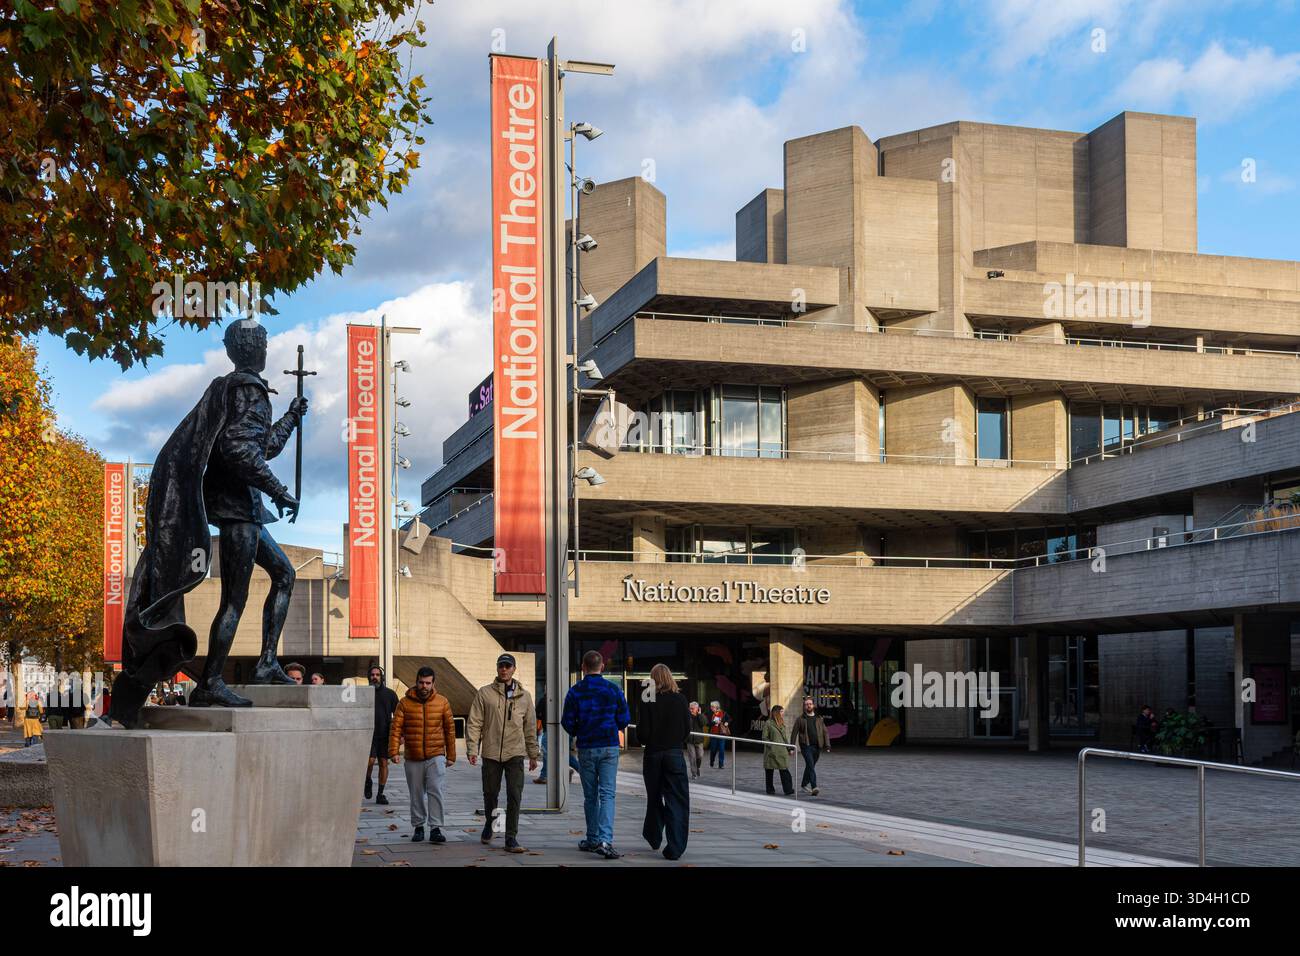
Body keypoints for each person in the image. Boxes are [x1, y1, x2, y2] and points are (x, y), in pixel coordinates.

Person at [467, 653, 540, 853]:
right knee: (491, 794)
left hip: (515, 753)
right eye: (501, 666)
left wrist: (533, 754)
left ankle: (511, 838)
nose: (504, 669)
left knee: (514, 794)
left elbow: (530, 727)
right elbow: (474, 722)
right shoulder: (485, 693)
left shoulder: (524, 697)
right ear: (497, 668)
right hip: (491, 753)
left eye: (508, 666)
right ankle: (491, 822)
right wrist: (473, 748)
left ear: (514, 669)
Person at [562, 650, 630, 859]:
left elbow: (567, 721)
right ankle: (604, 840)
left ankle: (592, 838)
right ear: (602, 667)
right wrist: (612, 727)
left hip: (587, 747)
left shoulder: (575, 691)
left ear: (583, 667)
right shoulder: (613, 689)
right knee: (607, 794)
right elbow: (624, 718)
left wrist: (579, 731)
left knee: (590, 796)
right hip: (609, 746)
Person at [388, 666, 455, 844]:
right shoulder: (404, 702)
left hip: (436, 755)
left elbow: (449, 730)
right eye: (421, 682)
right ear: (416, 682)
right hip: (413, 756)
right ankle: (418, 827)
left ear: (433, 683)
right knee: (416, 793)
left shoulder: (442, 702)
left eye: (428, 683)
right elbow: (396, 729)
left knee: (436, 790)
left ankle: (435, 828)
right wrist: (393, 751)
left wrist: (451, 755)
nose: (424, 686)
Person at [637, 664, 691, 860]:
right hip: (674, 754)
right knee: (677, 800)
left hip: (652, 755)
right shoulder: (680, 700)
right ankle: (675, 847)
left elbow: (642, 734)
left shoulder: (647, 699)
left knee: (654, 797)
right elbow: (687, 730)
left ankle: (653, 835)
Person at [365, 665, 399, 804]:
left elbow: (398, 715)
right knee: (370, 761)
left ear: (382, 677)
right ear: (369, 677)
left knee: (384, 763)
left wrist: (399, 735)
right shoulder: (364, 693)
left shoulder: (390, 694)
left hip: (385, 735)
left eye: (377, 675)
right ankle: (367, 780)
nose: (375, 677)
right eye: (372, 675)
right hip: (368, 735)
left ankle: (380, 794)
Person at [533, 694, 580, 785]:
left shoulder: (545, 699)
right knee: (565, 754)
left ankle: (544, 776)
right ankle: (577, 772)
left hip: (550, 730)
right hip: (566, 730)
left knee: (547, 753)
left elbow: (537, 714)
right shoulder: (568, 698)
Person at [791, 696, 830, 795]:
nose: (808, 706)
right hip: (806, 746)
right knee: (811, 766)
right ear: (804, 706)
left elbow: (825, 732)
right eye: (806, 704)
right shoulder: (800, 719)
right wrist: (791, 747)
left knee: (810, 766)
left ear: (813, 705)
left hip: (817, 746)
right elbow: (794, 733)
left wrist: (827, 745)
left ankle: (804, 784)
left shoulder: (819, 718)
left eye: (810, 704)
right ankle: (814, 787)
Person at [763, 705, 796, 795]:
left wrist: (789, 748)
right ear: (776, 713)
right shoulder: (768, 723)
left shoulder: (782, 723)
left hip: (782, 752)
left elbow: (785, 738)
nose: (783, 713)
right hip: (771, 752)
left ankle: (788, 789)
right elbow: (764, 738)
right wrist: (772, 746)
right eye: (781, 712)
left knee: (785, 770)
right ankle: (770, 789)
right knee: (769, 771)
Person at [686, 701, 707, 779]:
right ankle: (694, 774)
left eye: (692, 708)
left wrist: (699, 714)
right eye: (690, 708)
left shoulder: (701, 716)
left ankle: (698, 767)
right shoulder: (687, 716)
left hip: (699, 740)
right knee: (692, 757)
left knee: (700, 756)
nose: (691, 710)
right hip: (689, 740)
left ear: (697, 709)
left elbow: (704, 723)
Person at [707, 700, 730, 769]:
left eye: (712, 707)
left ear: (717, 707)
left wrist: (726, 723)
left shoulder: (723, 713)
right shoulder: (710, 714)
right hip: (713, 734)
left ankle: (721, 764)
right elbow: (707, 724)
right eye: (711, 707)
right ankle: (712, 761)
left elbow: (729, 719)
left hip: (721, 734)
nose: (711, 708)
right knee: (713, 750)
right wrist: (713, 723)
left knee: (722, 749)